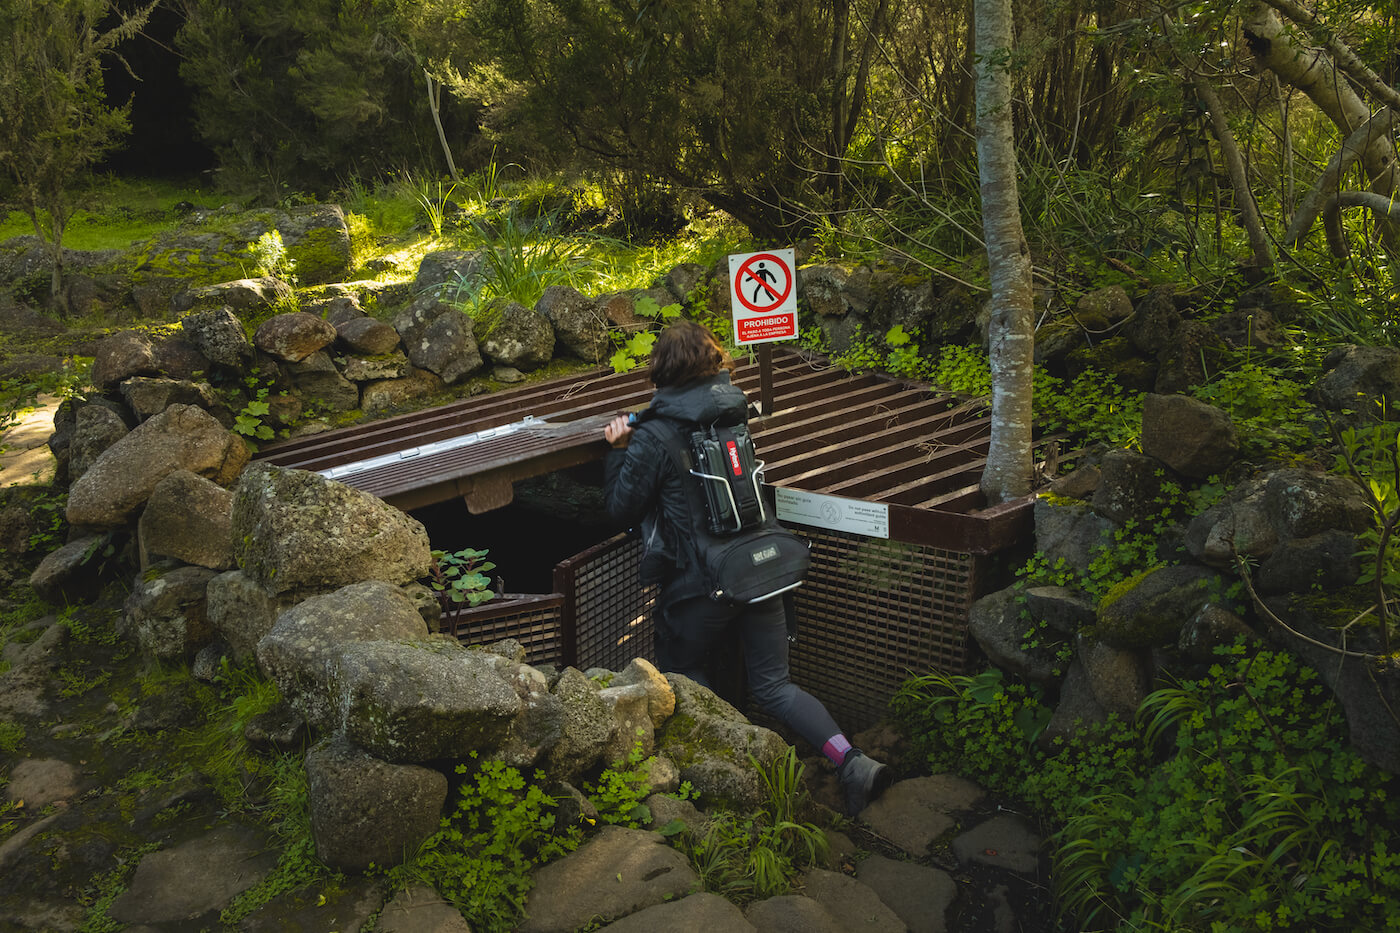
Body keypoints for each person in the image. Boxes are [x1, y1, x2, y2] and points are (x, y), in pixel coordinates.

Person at [601, 319, 892, 816]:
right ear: (712, 362)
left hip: (699, 585)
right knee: (774, 686)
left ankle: (739, 786)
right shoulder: (734, 414)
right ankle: (852, 762)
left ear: (662, 370)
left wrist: (617, 452)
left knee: (682, 675)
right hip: (759, 570)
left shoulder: (652, 434)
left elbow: (620, 509)